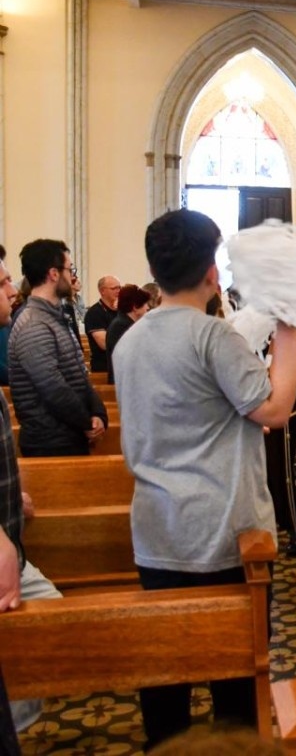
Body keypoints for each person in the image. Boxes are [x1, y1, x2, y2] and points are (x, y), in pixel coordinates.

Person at [112, 209, 296, 750]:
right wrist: (289, 326)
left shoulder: (129, 340)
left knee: (165, 681)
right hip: (223, 537)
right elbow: (274, 410)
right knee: (236, 687)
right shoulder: (213, 336)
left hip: (157, 535)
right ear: (212, 273)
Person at [0, 246, 62, 734]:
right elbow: (51, 382)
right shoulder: (33, 324)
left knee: (48, 627)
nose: (9, 290)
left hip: (10, 544)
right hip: (4, 553)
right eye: (1, 283)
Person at [9, 240, 108, 457]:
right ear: (54, 274)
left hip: (68, 436)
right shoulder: (33, 323)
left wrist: (99, 413)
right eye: (69, 269)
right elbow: (52, 387)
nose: (72, 276)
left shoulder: (55, 316)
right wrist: (86, 422)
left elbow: (79, 374)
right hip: (49, 443)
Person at [104, 284, 152, 385]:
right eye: (145, 304)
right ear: (135, 307)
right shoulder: (122, 326)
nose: (147, 307)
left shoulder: (125, 323)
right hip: (123, 384)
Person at [84, 275, 122, 373]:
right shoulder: (94, 312)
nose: (118, 291)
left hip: (121, 365)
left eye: (119, 287)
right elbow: (105, 344)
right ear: (102, 291)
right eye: (114, 288)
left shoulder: (122, 311)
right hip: (104, 367)